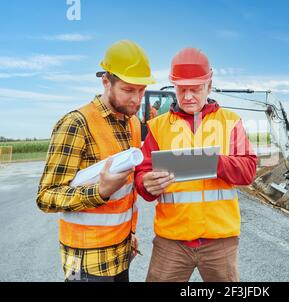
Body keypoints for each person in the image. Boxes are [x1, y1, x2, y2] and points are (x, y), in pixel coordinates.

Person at [36, 40, 155, 282]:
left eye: (141, 90)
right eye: (128, 90)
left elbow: (125, 195)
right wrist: (100, 191)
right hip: (84, 260)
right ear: (106, 82)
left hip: (120, 252)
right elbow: (46, 197)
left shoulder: (131, 122)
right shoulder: (75, 124)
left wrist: (129, 233)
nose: (137, 99)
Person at [135, 48, 257, 282]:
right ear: (174, 88)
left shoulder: (230, 122)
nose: (188, 96)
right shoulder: (158, 126)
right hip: (172, 242)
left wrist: (212, 161)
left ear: (208, 86)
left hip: (219, 242)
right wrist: (145, 182)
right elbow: (142, 176)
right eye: (182, 89)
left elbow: (248, 170)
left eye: (195, 89)